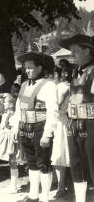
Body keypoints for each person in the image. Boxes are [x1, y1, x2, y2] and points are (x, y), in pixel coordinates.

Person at [13, 52, 58, 202]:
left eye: (31, 68)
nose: (27, 71)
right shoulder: (24, 85)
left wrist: (48, 134)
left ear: (40, 68)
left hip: (40, 128)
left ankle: (45, 198)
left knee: (43, 164)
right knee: (31, 164)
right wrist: (15, 127)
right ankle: (33, 196)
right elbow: (19, 108)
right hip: (25, 128)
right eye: (26, 68)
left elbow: (53, 111)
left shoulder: (49, 84)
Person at [59, 34, 94, 202]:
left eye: (75, 51)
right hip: (74, 124)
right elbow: (70, 96)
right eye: (71, 52)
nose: (72, 55)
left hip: (91, 125)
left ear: (87, 51)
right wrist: (63, 114)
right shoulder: (74, 72)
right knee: (76, 163)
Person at [0, 92, 24, 194]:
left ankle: (14, 186)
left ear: (11, 104)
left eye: (5, 102)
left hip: (13, 141)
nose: (3, 103)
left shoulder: (14, 115)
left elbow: (16, 126)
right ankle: (13, 185)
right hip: (7, 139)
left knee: (13, 161)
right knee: (11, 162)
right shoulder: (5, 114)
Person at [50, 64, 72, 199]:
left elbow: (56, 104)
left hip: (60, 121)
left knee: (60, 154)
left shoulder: (62, 87)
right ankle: (56, 182)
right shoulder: (57, 87)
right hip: (53, 120)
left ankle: (61, 186)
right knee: (54, 153)